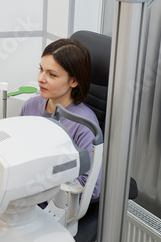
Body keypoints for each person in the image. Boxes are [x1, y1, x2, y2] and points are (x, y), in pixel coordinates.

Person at [20, 38, 101, 199]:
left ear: (74, 81)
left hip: (53, 204)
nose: (41, 78)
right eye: (41, 69)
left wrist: (43, 182)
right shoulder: (30, 106)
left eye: (52, 74)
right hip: (23, 191)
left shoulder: (84, 124)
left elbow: (91, 188)